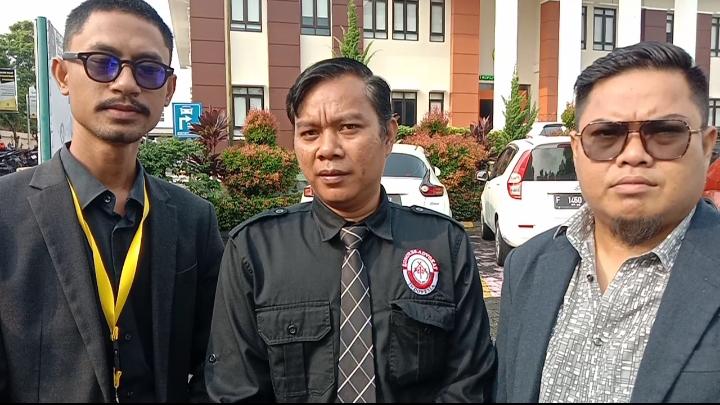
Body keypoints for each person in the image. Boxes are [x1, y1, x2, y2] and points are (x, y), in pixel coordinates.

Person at [204, 57, 496, 402]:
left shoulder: (444, 244)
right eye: (310, 133)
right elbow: (235, 389)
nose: (327, 150)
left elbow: (469, 381)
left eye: (348, 127)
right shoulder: (253, 252)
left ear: (388, 135)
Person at [0, 0, 224, 402]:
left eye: (148, 69)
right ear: (62, 74)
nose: (125, 83)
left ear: (169, 89)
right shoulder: (5, 212)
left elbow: (217, 361)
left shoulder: (194, 219)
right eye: (102, 63)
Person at [495, 41, 720, 403]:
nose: (633, 154)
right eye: (606, 135)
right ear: (577, 149)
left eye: (664, 132)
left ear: (707, 147)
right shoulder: (527, 267)